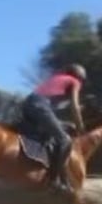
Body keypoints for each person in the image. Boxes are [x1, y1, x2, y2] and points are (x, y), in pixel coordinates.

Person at [20, 63, 87, 194]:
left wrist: (65, 124)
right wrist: (80, 126)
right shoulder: (74, 82)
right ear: (79, 76)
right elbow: (75, 106)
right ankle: (54, 180)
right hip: (41, 106)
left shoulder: (56, 78)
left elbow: (52, 109)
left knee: (51, 135)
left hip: (28, 104)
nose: (81, 82)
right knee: (65, 141)